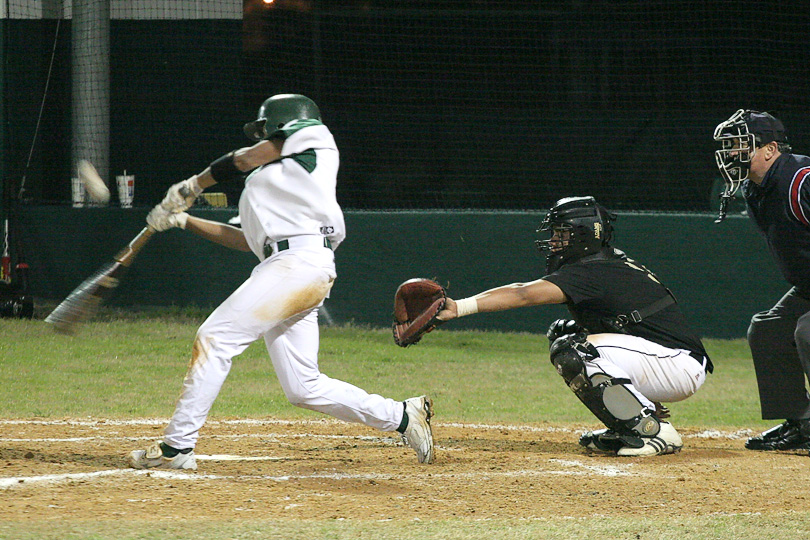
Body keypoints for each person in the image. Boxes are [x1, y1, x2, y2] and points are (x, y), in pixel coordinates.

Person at [128, 94, 434, 469]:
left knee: (215, 337)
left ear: (279, 125)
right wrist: (182, 220)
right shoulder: (264, 184)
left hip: (299, 263)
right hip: (286, 269)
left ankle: (177, 449)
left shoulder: (314, 137)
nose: (258, 139)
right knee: (303, 387)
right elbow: (243, 239)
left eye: (263, 131)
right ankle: (403, 416)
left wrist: (193, 185)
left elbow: (245, 157)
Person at [436, 196, 712, 456]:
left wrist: (460, 307)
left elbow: (523, 293)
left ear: (583, 234)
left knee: (573, 349)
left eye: (562, 233)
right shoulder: (602, 262)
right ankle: (630, 424)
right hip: (666, 360)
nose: (554, 241)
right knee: (567, 335)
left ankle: (652, 432)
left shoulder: (593, 270)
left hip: (677, 364)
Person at [714, 109, 810, 451]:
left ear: (770, 149)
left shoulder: (802, 180)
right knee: (769, 329)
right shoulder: (757, 188)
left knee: (807, 331)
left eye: (740, 146)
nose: (731, 155)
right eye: (728, 147)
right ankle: (803, 424)